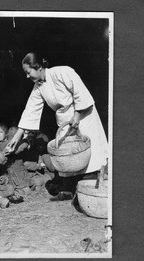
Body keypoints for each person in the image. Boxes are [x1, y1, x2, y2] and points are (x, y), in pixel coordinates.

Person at [7, 52, 108, 199]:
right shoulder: (38, 87)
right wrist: (17, 136)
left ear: (39, 67)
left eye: (28, 72)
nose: (27, 76)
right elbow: (30, 111)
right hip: (65, 120)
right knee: (67, 155)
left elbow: (80, 91)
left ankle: (89, 191)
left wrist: (78, 114)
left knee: (88, 154)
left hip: (84, 115)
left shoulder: (62, 72)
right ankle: (68, 191)